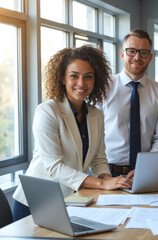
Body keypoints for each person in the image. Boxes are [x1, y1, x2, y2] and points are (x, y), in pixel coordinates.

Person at [12, 45, 132, 221]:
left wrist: (111, 181)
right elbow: (55, 167)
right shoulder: (47, 111)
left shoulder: (96, 114)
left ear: (95, 80)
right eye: (74, 76)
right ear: (62, 78)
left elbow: (98, 159)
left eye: (88, 77)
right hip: (34, 202)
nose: (81, 83)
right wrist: (102, 183)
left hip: (70, 200)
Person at [100, 29, 158, 177]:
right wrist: (102, 174)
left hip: (147, 170)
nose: (137, 57)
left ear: (150, 57)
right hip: (107, 172)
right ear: (122, 54)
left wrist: (145, 167)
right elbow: (94, 134)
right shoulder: (103, 88)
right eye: (131, 51)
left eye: (143, 52)